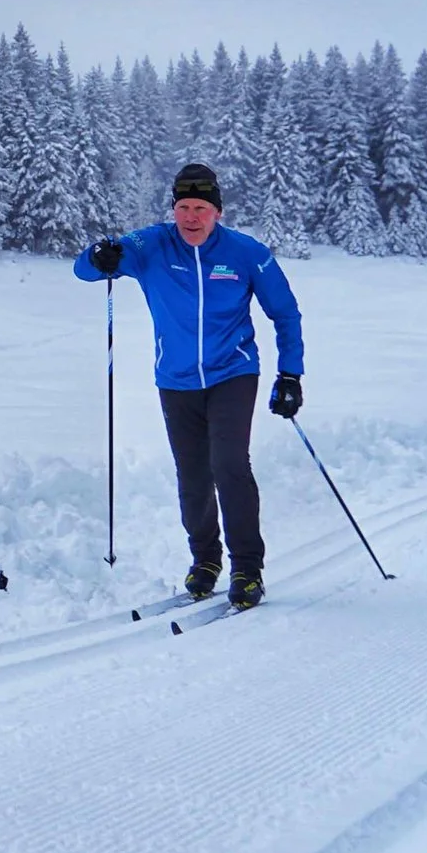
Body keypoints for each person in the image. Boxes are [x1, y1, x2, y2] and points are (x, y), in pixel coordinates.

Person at [75, 163, 303, 611]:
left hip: (233, 372)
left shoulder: (245, 253)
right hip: (175, 379)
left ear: (217, 211)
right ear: (173, 209)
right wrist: (97, 255)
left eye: (201, 208)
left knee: (229, 464)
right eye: (183, 208)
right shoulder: (151, 244)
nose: (191, 218)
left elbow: (286, 313)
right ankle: (206, 561)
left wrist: (290, 374)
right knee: (192, 471)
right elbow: (86, 269)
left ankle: (247, 568)